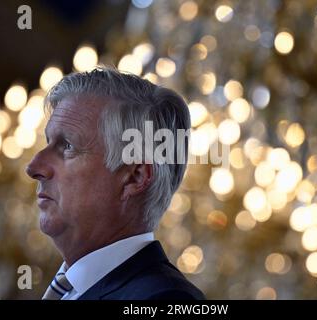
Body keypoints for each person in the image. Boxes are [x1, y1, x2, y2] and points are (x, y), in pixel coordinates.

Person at [26, 67, 204, 300]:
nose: (34, 167)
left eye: (67, 146)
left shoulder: (163, 299)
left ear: (134, 177)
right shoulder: (72, 290)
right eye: (48, 142)